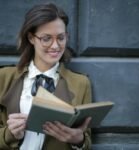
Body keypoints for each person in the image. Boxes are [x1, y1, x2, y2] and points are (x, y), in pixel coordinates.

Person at [0, 3, 92, 150]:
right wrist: (9, 134)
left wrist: (78, 139)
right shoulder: (3, 77)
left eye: (61, 38)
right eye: (46, 38)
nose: (55, 46)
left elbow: (86, 140)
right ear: (31, 38)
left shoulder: (81, 83)